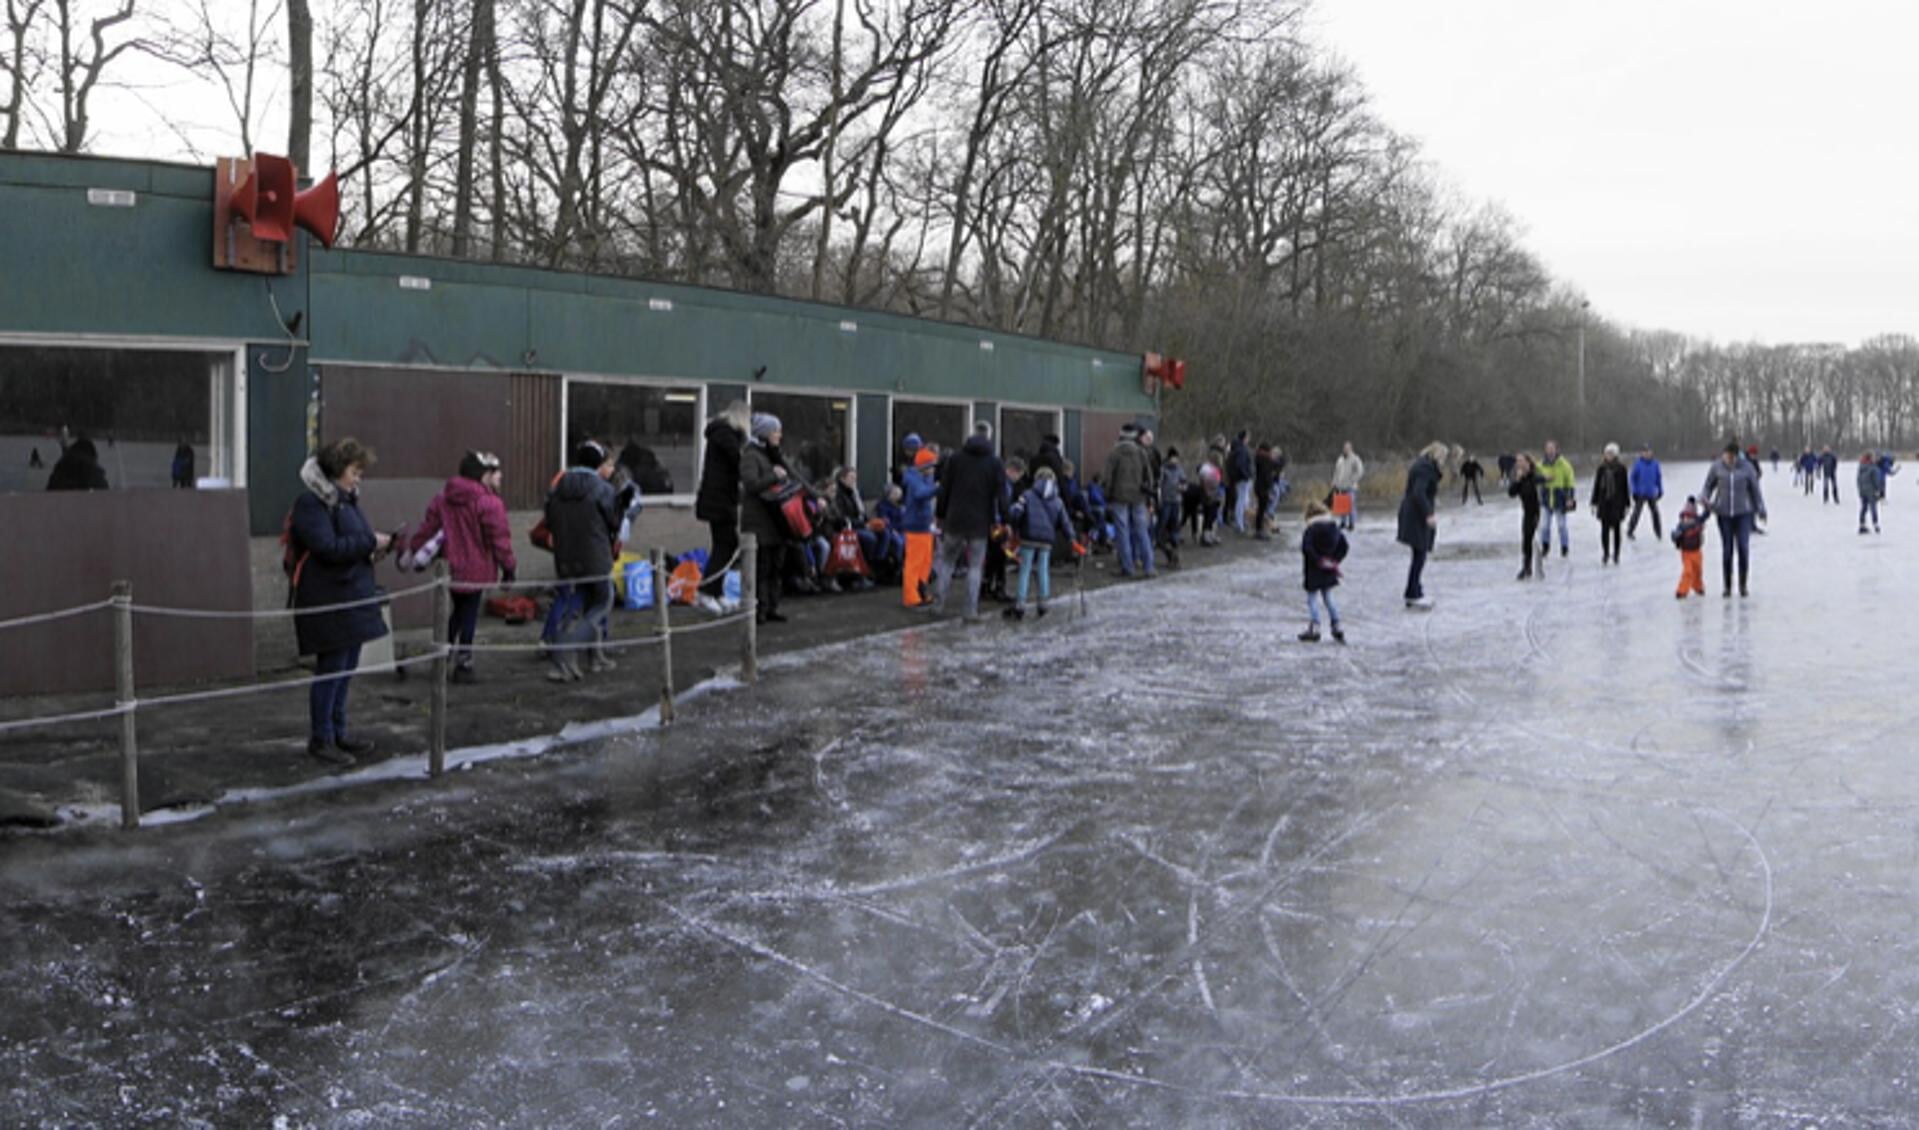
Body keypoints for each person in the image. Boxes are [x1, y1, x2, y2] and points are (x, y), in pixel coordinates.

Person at [288, 439, 393, 766]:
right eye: (354, 471)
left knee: (345, 668)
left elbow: (346, 545)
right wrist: (369, 541)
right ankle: (322, 737)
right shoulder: (311, 504)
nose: (358, 477)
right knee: (331, 669)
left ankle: (338, 731)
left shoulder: (344, 503)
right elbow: (327, 547)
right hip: (330, 599)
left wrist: (375, 547)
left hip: (349, 596)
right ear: (336, 472)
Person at [410, 451, 516, 683]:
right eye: (495, 472)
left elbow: (428, 527)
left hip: (450, 568)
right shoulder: (489, 502)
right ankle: (464, 663)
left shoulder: (443, 498)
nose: (500, 476)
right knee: (468, 614)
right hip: (477, 568)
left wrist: (414, 551)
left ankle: (442, 656)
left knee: (458, 612)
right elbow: (499, 539)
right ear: (484, 475)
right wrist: (509, 567)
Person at [545, 440, 622, 678]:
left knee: (576, 605)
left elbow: (549, 520)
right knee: (601, 603)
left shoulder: (558, 488)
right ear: (598, 463)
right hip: (595, 557)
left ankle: (593, 658)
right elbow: (615, 521)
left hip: (566, 557)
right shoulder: (602, 489)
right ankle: (565, 653)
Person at [924, 422, 1006, 622]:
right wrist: (1004, 519)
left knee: (947, 562)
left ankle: (938, 604)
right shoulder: (994, 463)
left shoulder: (956, 459)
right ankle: (969, 610)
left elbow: (945, 489)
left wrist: (940, 514)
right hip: (980, 522)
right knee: (975, 567)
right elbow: (1001, 494)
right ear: (989, 436)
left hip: (955, 519)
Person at [693, 400, 750, 610]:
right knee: (725, 546)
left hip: (717, 498)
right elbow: (738, 461)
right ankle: (707, 591)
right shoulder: (727, 437)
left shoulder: (720, 434)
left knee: (724, 545)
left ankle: (715, 591)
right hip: (721, 500)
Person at [739, 415, 796, 624]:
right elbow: (751, 484)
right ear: (764, 433)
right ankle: (758, 609)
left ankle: (772, 606)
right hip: (759, 520)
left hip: (777, 520)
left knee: (776, 567)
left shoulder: (774, 455)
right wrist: (773, 475)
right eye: (775, 431)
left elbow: (788, 476)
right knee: (762, 568)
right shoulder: (751, 456)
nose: (779, 436)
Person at [1005, 466, 1074, 620]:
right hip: (1046, 541)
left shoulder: (1027, 495)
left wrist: (1013, 524)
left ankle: (1020, 604)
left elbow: (1016, 512)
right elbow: (1065, 522)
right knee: (1043, 570)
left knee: (1025, 570)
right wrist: (1072, 539)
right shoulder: (1057, 500)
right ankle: (1043, 603)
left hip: (1028, 538)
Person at [1700, 442, 1767, 598]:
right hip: (1723, 514)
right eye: (1726, 456)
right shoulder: (1717, 467)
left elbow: (1755, 490)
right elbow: (1708, 486)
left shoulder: (1747, 468)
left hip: (1743, 513)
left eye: (1731, 457)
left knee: (1743, 548)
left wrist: (1761, 508)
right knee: (1727, 550)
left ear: (1737, 456)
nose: (1728, 460)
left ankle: (1743, 585)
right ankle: (1727, 586)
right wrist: (1704, 497)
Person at [1397, 442, 1446, 609]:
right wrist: (1428, 513)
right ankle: (1413, 593)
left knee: (1419, 554)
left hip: (1413, 513)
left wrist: (1432, 499)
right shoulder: (1425, 469)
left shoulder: (1422, 465)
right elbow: (1419, 492)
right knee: (1420, 554)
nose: (1443, 461)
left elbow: (1421, 491)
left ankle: (1414, 589)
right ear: (1437, 455)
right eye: (1443, 457)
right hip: (1416, 515)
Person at [1103, 423, 1155, 576]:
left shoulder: (1114, 453)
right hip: (1138, 497)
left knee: (1122, 532)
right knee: (1142, 531)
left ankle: (1128, 567)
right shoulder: (1141, 453)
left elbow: (1108, 478)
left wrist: (1107, 496)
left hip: (1118, 497)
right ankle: (1149, 566)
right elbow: (1149, 478)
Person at [1298, 499, 1349, 643]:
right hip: (1329, 569)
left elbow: (1306, 548)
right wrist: (1334, 561)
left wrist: (1317, 560)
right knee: (1329, 598)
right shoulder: (1334, 527)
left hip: (1314, 570)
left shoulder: (1311, 529)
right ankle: (1337, 625)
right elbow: (1344, 546)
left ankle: (1315, 627)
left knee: (1312, 599)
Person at [1590, 443, 1630, 565]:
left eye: (1611, 453)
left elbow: (1625, 487)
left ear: (1616, 455)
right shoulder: (1601, 469)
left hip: (1617, 503)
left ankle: (1616, 553)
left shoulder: (1621, 469)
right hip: (1604, 502)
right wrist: (1594, 502)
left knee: (1617, 529)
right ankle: (1606, 553)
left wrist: (1627, 503)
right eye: (1607, 453)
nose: (1609, 456)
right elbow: (1596, 486)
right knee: (1604, 530)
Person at [1536, 440, 1576, 558]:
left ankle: (1564, 547)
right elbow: (1535, 479)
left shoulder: (1564, 465)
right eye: (1548, 448)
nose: (1550, 451)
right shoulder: (1540, 465)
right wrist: (1544, 479)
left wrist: (1570, 498)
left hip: (1560, 499)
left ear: (1556, 449)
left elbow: (1570, 482)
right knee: (1544, 526)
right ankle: (1545, 546)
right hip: (1546, 499)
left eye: (1552, 448)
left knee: (1562, 526)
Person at [1509, 452, 1544, 580]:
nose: (1519, 464)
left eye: (1521, 461)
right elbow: (1511, 493)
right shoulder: (1519, 477)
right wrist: (1518, 480)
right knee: (1526, 539)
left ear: (1528, 462)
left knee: (1536, 539)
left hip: (1538, 510)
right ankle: (1526, 567)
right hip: (1527, 511)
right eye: (1517, 461)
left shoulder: (1534, 475)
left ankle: (1539, 567)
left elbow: (1540, 481)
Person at [1671, 496, 1707, 599]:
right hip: (1686, 552)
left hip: (1697, 551)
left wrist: (1706, 505)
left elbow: (1706, 514)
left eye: (1690, 517)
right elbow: (1675, 535)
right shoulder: (1681, 526)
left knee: (1698, 571)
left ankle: (1698, 587)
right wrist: (1676, 539)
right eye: (1686, 517)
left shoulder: (1698, 522)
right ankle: (1682, 591)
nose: (1687, 519)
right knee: (1688, 571)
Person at [1627, 444, 1664, 540]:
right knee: (1636, 513)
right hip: (1640, 493)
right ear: (1642, 453)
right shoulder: (1638, 464)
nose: (1647, 454)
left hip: (1651, 492)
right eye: (1645, 452)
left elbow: (1658, 478)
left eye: (1649, 452)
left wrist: (1660, 490)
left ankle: (1658, 533)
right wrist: (1634, 491)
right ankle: (1630, 531)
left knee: (1655, 513)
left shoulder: (1655, 464)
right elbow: (1632, 479)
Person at [1157, 447, 1185, 565]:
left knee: (1174, 523)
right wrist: (1159, 500)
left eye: (1177, 459)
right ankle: (1162, 540)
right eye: (1174, 458)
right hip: (1166, 500)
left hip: (1176, 500)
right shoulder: (1163, 470)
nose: (1176, 461)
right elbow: (1159, 485)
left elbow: (1184, 481)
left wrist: (1183, 487)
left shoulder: (1179, 469)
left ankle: (1174, 542)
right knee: (1163, 523)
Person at [1331, 441, 1363, 530]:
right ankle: (1343, 522)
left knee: (1350, 505)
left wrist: (1352, 480)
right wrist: (1334, 483)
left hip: (1351, 487)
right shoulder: (1340, 459)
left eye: (1347, 448)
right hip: (1341, 486)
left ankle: (1352, 523)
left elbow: (1359, 471)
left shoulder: (1355, 459)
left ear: (1351, 449)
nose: (1345, 450)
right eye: (1344, 448)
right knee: (1342, 505)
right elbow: (1336, 472)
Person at [1226, 430, 1254, 533]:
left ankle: (1241, 521)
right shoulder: (1242, 450)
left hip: (1239, 479)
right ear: (1244, 438)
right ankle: (1240, 523)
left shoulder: (1236, 449)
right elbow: (1241, 465)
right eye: (1248, 437)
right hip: (1243, 479)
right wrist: (1246, 475)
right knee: (1242, 501)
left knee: (1242, 500)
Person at [1857, 451, 1884, 534]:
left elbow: (1858, 480)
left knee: (1864, 508)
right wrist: (1879, 490)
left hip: (1863, 491)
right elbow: (1877, 481)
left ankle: (1862, 524)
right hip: (1871, 491)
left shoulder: (1861, 468)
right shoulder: (1873, 468)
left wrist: (1860, 490)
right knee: (1873, 507)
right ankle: (1875, 524)